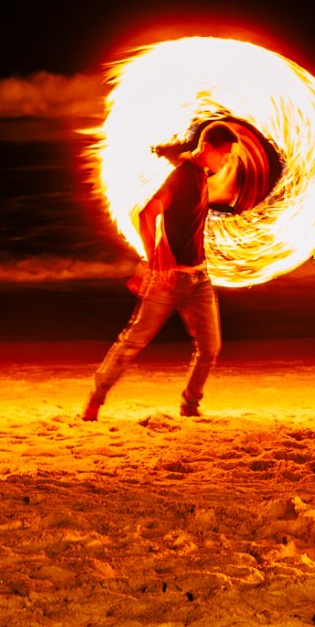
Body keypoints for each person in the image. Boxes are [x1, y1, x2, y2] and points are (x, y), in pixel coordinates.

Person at [84, 122, 238, 420]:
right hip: (169, 281)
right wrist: (155, 259)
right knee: (133, 342)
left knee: (210, 348)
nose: (226, 160)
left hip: (199, 279)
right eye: (224, 154)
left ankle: (190, 404)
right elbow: (147, 212)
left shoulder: (201, 175)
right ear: (207, 148)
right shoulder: (182, 176)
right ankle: (96, 399)